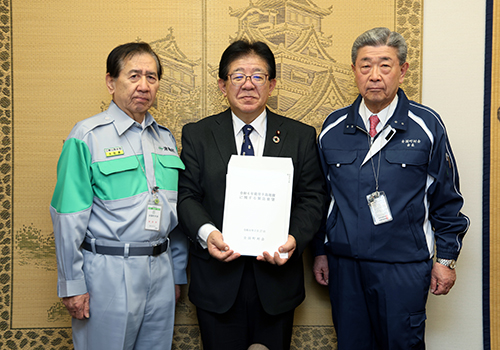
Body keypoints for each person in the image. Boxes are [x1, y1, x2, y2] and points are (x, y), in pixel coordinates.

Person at [312, 27, 470, 350]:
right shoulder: (331, 129)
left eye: (385, 65)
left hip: (404, 268)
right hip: (346, 268)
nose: (374, 75)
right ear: (354, 70)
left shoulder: (427, 125)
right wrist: (318, 252)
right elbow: (319, 199)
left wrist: (447, 259)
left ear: (403, 70)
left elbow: (447, 199)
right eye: (365, 65)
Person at [177, 40, 326, 350]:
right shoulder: (198, 134)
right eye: (238, 76)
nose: (248, 84)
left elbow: (312, 197)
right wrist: (208, 234)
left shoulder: (300, 135)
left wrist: (294, 239)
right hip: (216, 279)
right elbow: (187, 195)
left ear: (271, 84)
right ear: (222, 84)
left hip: (276, 281)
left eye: (258, 76)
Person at [50, 42, 188, 350]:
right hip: (108, 272)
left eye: (151, 77)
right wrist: (72, 285)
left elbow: (174, 215)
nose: (144, 85)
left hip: (161, 272)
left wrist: (177, 272)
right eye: (134, 75)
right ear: (111, 82)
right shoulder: (86, 136)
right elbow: (67, 217)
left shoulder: (165, 138)